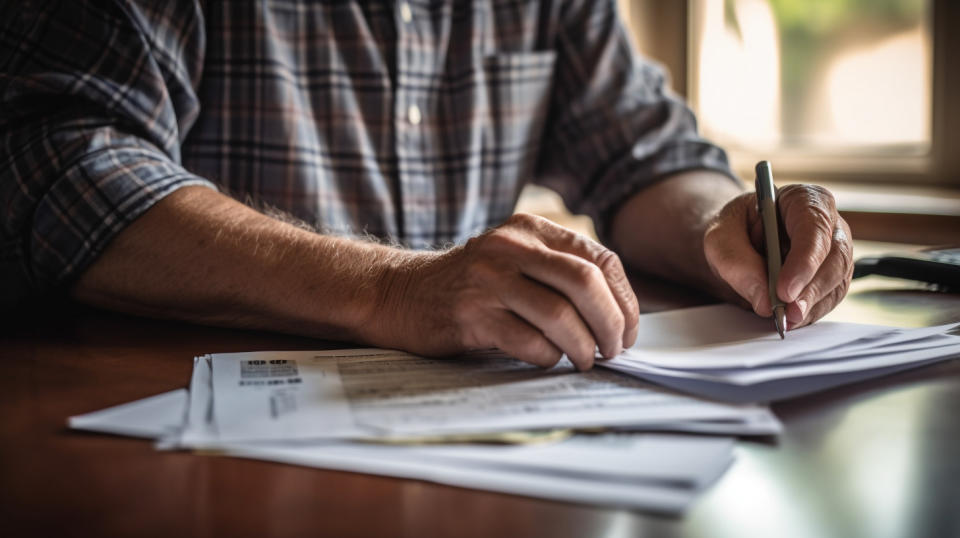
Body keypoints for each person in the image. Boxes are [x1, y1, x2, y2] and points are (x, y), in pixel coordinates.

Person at [0, 0, 852, 370]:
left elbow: (646, 155)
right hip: (183, 447)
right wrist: (392, 287)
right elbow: (63, 164)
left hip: (467, 437)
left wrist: (726, 226)